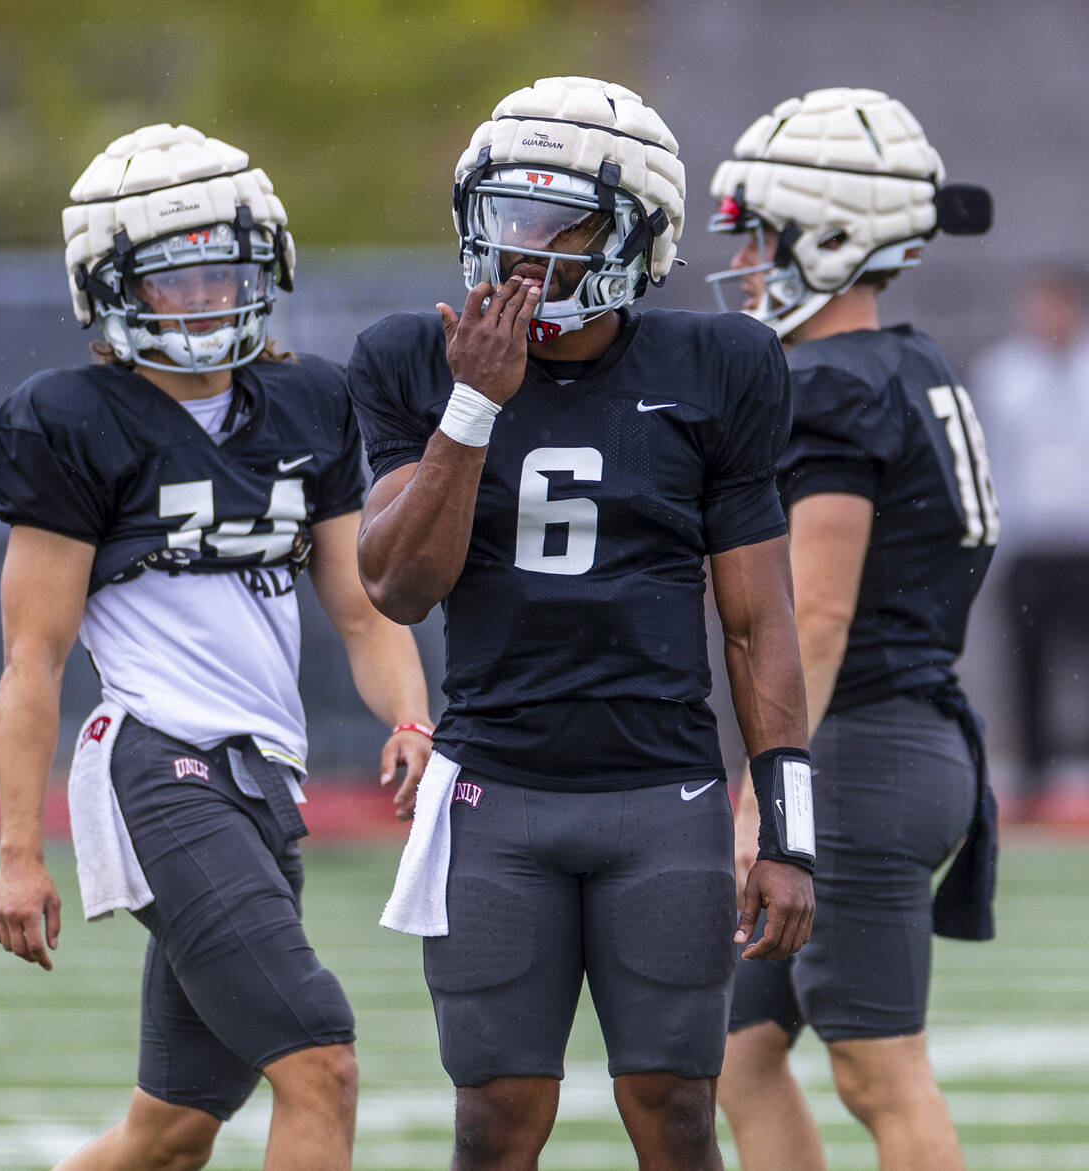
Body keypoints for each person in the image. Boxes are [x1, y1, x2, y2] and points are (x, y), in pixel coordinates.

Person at [345, 76, 815, 1171]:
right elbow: (398, 585)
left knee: (678, 1111)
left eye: (565, 225)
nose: (525, 251)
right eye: (508, 215)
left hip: (664, 793)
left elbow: (758, 618)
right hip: (493, 790)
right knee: (494, 1120)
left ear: (638, 235)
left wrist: (788, 827)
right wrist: (473, 406)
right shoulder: (414, 357)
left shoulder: (724, 364)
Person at [0, 123, 432, 1171]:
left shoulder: (309, 402)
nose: (204, 298)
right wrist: (16, 850)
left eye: (224, 271)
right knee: (320, 1057)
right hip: (157, 759)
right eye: (174, 279)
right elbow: (32, 660)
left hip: (261, 775)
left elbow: (363, 610)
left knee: (172, 1131)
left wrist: (411, 714)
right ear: (108, 285)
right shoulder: (68, 419)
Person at [704, 87, 998, 1170]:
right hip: (895, 736)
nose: (740, 258)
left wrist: (761, 798)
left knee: (881, 1070)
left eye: (758, 235)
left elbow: (816, 613)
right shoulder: (909, 362)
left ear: (830, 236)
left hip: (860, 750)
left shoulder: (828, 384)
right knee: (735, 1053)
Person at [973, 265, 1089, 817]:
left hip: (1085, 543)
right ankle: (1036, 778)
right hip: (1030, 548)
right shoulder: (1003, 374)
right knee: (1028, 667)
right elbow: (991, 463)